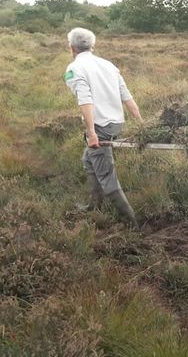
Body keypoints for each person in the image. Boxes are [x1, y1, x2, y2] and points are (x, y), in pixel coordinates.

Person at [64, 27, 143, 229]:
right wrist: (141, 123)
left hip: (100, 126)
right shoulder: (108, 65)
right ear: (93, 45)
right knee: (88, 160)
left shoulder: (74, 69)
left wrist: (91, 133)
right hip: (117, 123)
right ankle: (94, 205)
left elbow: (85, 101)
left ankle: (130, 221)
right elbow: (127, 96)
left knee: (106, 173)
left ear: (71, 47)